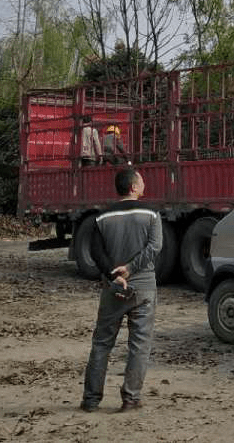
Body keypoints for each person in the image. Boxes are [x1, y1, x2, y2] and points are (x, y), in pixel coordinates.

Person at [80, 168, 162, 413]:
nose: (144, 183)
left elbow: (96, 253)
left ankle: (91, 400)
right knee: (139, 345)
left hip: (113, 289)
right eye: (142, 180)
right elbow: (155, 246)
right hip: (144, 288)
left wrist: (115, 275)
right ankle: (131, 399)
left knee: (102, 343)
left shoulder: (101, 217)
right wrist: (131, 268)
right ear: (133, 187)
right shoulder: (151, 214)